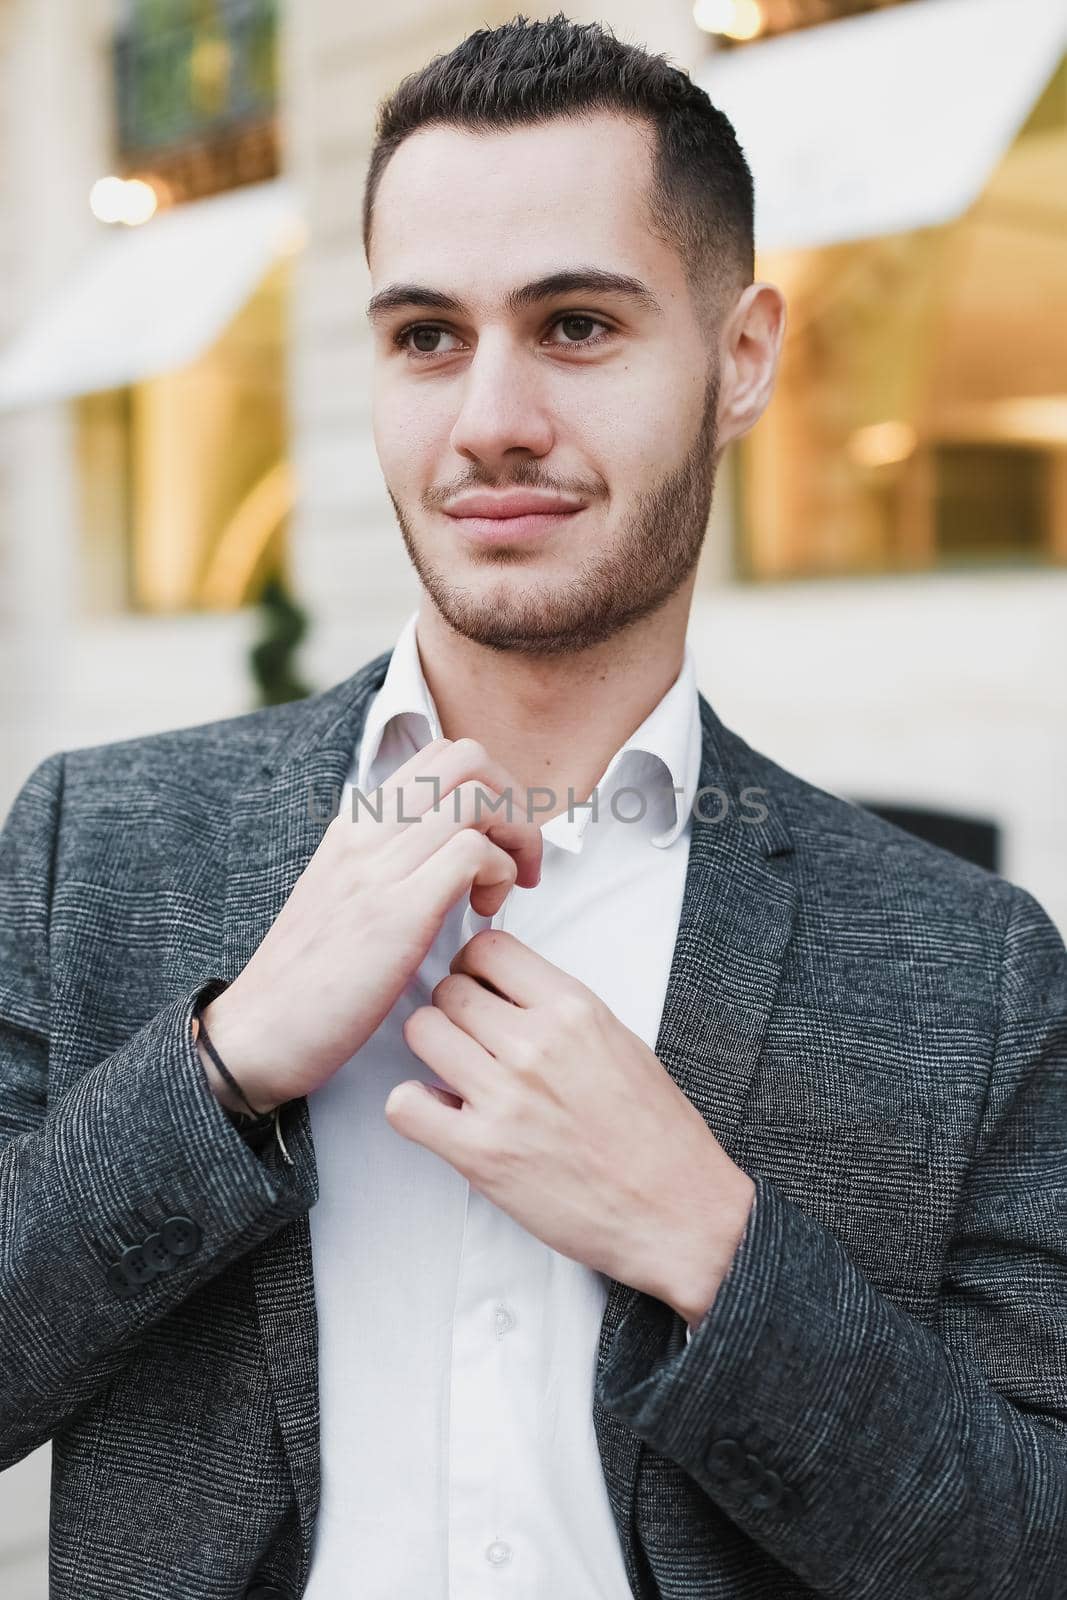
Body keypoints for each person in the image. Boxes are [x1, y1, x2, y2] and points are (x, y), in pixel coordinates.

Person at [1, 13, 1064, 1600]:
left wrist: (712, 1242)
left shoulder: (971, 970)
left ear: (744, 357)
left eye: (575, 325)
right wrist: (220, 1066)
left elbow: (1023, 1548)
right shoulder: (95, 849)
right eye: (426, 334)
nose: (488, 417)